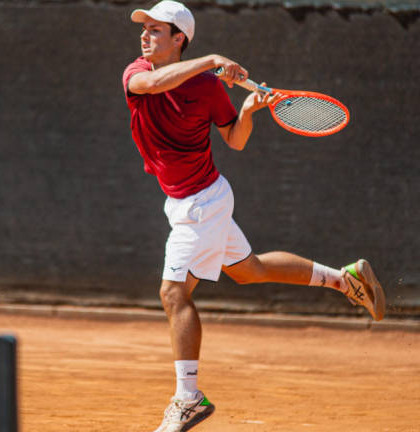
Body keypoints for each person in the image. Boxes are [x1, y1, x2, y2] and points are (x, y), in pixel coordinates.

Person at [121, 1, 386, 431]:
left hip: (202, 202)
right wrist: (209, 60)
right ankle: (344, 278)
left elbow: (235, 139)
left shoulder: (209, 88)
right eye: (144, 28)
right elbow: (152, 86)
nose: (145, 35)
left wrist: (246, 112)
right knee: (250, 270)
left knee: (174, 294)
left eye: (156, 29)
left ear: (178, 40)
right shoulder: (137, 72)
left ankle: (188, 399)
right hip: (188, 200)